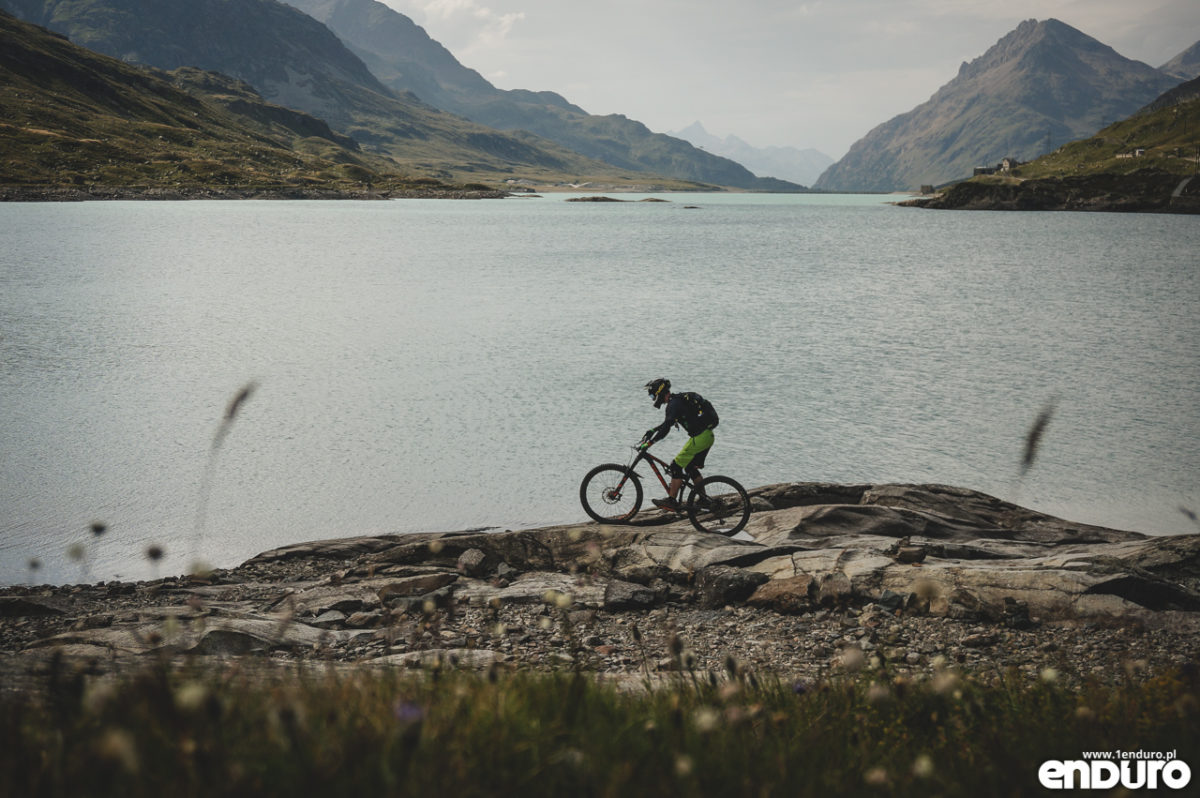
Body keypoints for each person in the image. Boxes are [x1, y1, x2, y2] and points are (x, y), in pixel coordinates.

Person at [640, 378, 719, 512]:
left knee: (675, 466)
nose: (652, 398)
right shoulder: (676, 401)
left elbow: (666, 429)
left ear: (659, 392)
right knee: (689, 467)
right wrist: (652, 430)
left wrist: (650, 443)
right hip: (705, 436)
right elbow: (668, 423)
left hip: (700, 438)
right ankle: (704, 499)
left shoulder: (673, 404)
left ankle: (672, 500)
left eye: (652, 395)